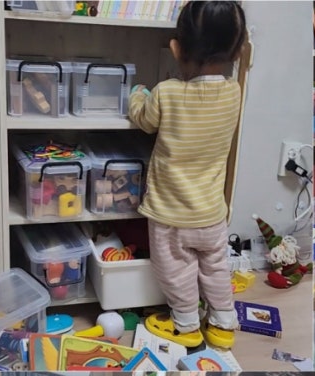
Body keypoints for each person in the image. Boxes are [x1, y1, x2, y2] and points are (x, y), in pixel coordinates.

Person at [128, 1, 247, 348]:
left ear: (176, 48)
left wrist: (137, 95)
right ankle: (223, 324)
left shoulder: (167, 92)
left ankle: (186, 324)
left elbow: (145, 120)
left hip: (171, 214)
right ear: (237, 51)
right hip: (212, 213)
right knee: (216, 267)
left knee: (176, 271)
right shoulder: (234, 92)